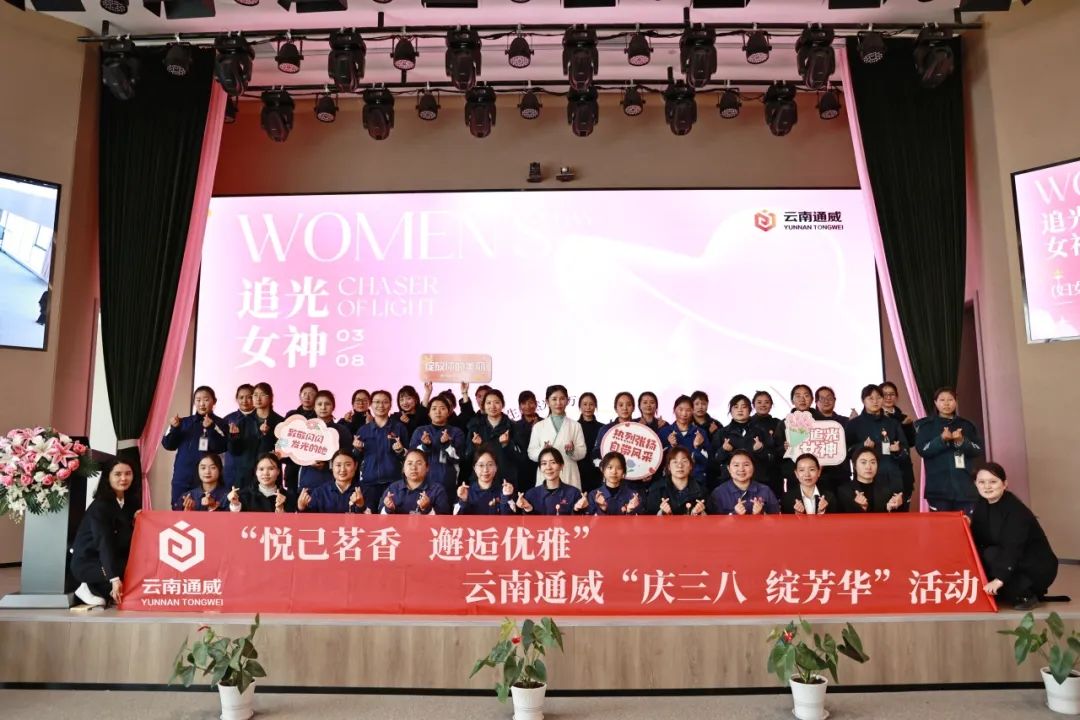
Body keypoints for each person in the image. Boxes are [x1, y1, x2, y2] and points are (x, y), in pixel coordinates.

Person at [970, 462, 1058, 611]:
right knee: (984, 552)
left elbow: (1013, 548)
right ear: (976, 484)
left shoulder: (1016, 511)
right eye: (982, 482)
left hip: (1035, 567)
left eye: (993, 482)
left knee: (991, 553)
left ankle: (1025, 594)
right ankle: (1009, 589)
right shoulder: (981, 504)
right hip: (1009, 561)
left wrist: (999, 580)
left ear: (1004, 484)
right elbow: (977, 538)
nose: (987, 486)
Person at [71, 459, 137, 607]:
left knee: (138, 565)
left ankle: (101, 590)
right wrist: (114, 578)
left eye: (128, 473)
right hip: (89, 561)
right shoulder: (101, 506)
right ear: (108, 477)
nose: (124, 478)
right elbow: (104, 542)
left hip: (112, 558)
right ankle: (87, 587)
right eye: (117, 474)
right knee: (124, 569)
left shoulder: (130, 502)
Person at [915, 387, 985, 513]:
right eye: (942, 400)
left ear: (956, 401)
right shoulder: (926, 426)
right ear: (935, 403)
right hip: (938, 490)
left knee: (966, 524)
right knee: (941, 525)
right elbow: (922, 450)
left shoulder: (967, 425)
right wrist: (941, 440)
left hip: (965, 489)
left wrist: (962, 441)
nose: (946, 403)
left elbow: (978, 450)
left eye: (950, 400)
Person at [161, 385, 228, 508]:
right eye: (198, 400)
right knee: (179, 510)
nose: (202, 404)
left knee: (206, 513)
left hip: (207, 480)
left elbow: (222, 447)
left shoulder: (220, 423)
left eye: (206, 399)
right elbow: (168, 445)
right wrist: (174, 428)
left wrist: (211, 428)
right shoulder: (183, 422)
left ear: (214, 401)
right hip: (182, 477)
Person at [845, 384, 907, 496]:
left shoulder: (892, 423)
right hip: (865, 481)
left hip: (891, 479)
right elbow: (846, 451)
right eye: (871, 398)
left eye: (878, 398)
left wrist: (898, 450)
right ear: (863, 400)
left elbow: (905, 450)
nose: (875, 401)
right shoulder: (853, 424)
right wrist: (862, 447)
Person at [355, 390, 410, 509]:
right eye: (377, 402)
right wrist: (357, 449)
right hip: (369, 483)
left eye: (385, 402)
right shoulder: (363, 430)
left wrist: (400, 450)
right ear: (371, 404)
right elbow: (356, 458)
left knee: (391, 515)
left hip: (394, 483)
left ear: (390, 405)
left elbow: (408, 457)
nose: (381, 405)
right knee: (369, 516)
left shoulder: (399, 428)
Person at [527, 385, 587, 489]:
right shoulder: (538, 426)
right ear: (547, 401)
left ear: (567, 401)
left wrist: (571, 451)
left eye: (562, 399)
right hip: (546, 474)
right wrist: (543, 450)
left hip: (568, 473)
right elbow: (531, 452)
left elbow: (582, 452)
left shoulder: (575, 425)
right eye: (554, 399)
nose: (558, 403)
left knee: (571, 497)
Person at [710, 394, 772, 492]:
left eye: (744, 407)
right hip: (729, 483)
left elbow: (771, 459)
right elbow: (713, 461)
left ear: (750, 410)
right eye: (736, 407)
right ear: (730, 411)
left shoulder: (760, 432)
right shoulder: (722, 433)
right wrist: (723, 450)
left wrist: (760, 450)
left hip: (757, 482)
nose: (740, 410)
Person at [296, 391, 355, 493]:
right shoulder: (305, 429)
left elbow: (347, 457)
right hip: (308, 480)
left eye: (327, 404)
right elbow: (297, 453)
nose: (323, 407)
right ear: (314, 407)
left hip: (333, 482)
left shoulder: (342, 431)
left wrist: (328, 463)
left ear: (333, 407)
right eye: (319, 404)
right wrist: (308, 461)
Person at [464, 389, 521, 491]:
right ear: (483, 406)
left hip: (506, 480)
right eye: (489, 403)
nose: (493, 406)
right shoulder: (475, 427)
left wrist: (506, 445)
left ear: (502, 404)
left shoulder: (513, 426)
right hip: (481, 480)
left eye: (496, 402)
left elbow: (520, 458)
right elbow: (467, 458)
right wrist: (475, 446)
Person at [409, 396, 466, 493]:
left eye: (442, 408)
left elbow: (458, 458)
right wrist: (425, 446)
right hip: (422, 483)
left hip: (448, 483)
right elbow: (411, 457)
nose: (438, 412)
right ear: (429, 413)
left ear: (449, 412)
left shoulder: (456, 432)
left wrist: (447, 445)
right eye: (434, 408)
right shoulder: (420, 431)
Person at [707, 449, 780, 515]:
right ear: (729, 469)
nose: (741, 469)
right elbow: (712, 523)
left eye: (746, 465)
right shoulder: (718, 493)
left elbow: (777, 520)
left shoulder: (765, 491)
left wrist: (761, 514)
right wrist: (734, 514)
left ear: (753, 467)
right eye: (736, 465)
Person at [512, 447, 583, 515]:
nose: (548, 467)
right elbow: (527, 522)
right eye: (544, 463)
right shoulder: (531, 495)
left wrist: (576, 510)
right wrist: (528, 509)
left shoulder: (574, 493)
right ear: (540, 468)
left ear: (561, 466)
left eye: (553, 462)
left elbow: (580, 521)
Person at [380, 449, 451, 515]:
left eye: (419, 463)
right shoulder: (392, 489)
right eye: (409, 463)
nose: (413, 468)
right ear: (403, 468)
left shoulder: (437, 490)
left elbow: (444, 520)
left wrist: (427, 509)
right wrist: (388, 509)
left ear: (427, 468)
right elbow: (379, 517)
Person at [836, 447, 905, 513]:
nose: (868, 467)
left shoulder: (888, 489)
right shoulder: (844, 491)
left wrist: (891, 507)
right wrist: (858, 509)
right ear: (854, 466)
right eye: (863, 462)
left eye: (873, 462)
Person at [297, 450, 367, 514]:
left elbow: (370, 520)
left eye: (348, 465)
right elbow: (309, 520)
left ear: (355, 466)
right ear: (332, 466)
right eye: (338, 465)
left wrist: (360, 506)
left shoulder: (365, 491)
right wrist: (301, 508)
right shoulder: (319, 492)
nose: (342, 469)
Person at [573, 451, 642, 515]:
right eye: (610, 467)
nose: (614, 472)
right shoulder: (593, 495)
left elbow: (638, 522)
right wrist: (602, 509)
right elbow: (589, 522)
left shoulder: (633, 496)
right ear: (602, 469)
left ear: (623, 472)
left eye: (619, 468)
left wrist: (629, 511)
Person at [660, 395, 710, 483]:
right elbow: (658, 460)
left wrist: (697, 447)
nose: (684, 414)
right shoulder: (664, 432)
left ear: (693, 411)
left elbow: (708, 461)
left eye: (688, 410)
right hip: (670, 481)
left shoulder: (700, 433)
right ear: (674, 410)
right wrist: (671, 446)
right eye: (680, 409)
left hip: (696, 481)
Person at [881, 381, 917, 503]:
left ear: (896, 397)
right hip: (882, 473)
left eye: (892, 394)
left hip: (903, 470)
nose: (888, 397)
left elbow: (911, 443)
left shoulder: (904, 417)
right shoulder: (874, 418)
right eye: (884, 394)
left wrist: (907, 426)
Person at [812, 385, 851, 493]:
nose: (826, 401)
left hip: (842, 473)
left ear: (834, 400)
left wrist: (855, 423)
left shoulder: (845, 421)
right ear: (816, 402)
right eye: (822, 398)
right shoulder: (811, 422)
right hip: (819, 475)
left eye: (829, 398)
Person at [646, 446, 707, 516]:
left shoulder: (702, 490)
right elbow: (648, 519)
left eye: (684, 461)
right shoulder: (656, 490)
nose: (680, 465)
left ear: (690, 466)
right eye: (675, 462)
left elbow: (711, 520)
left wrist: (701, 514)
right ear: (669, 467)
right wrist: (661, 514)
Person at [455, 447, 514, 515]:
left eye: (490, 465)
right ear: (474, 468)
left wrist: (506, 497)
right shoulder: (466, 492)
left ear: (496, 468)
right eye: (481, 465)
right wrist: (463, 501)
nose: (485, 470)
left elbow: (510, 519)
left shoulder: (504, 491)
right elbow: (457, 519)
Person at [282, 382, 319, 492]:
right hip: (292, 467)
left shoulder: (320, 417)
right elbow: (283, 438)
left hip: (312, 468)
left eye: (311, 394)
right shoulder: (291, 415)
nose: (307, 397)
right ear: (300, 396)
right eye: (304, 393)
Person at [749, 390, 784, 498]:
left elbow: (781, 447)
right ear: (753, 404)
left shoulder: (778, 423)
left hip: (774, 471)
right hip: (754, 472)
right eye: (759, 402)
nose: (763, 405)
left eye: (766, 402)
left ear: (771, 405)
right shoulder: (748, 423)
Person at [223, 384, 257, 490]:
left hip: (255, 472)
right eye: (241, 397)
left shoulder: (261, 419)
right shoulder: (228, 419)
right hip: (232, 472)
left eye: (249, 397)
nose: (245, 401)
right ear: (236, 399)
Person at [513, 390, 543, 485]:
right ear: (519, 407)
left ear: (536, 404)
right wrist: (532, 430)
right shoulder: (515, 426)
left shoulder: (545, 422)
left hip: (542, 466)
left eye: (530, 402)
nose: (528, 406)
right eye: (524, 403)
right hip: (523, 469)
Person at [577, 392, 603, 494]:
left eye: (591, 404)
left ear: (595, 406)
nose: (588, 407)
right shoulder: (574, 426)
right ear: (580, 406)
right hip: (578, 470)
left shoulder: (602, 428)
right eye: (585, 404)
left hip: (597, 471)